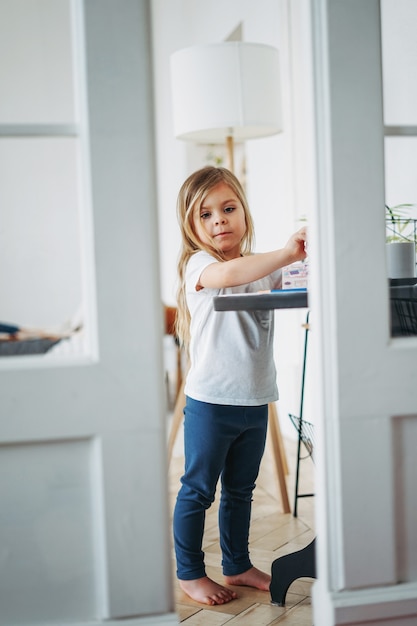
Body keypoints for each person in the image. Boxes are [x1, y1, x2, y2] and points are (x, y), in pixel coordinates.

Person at [173, 165, 307, 606]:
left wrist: (306, 254)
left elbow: (292, 284)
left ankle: (237, 564)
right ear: (192, 228)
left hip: (254, 399)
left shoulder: (260, 267)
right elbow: (230, 278)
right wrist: (287, 253)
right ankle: (190, 573)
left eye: (228, 209)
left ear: (244, 212)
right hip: (211, 401)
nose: (219, 221)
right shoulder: (201, 265)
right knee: (198, 489)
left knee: (240, 491)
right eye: (206, 215)